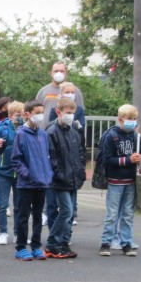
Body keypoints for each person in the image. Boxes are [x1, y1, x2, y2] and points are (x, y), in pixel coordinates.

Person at [11, 100, 53, 261]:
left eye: (42, 112)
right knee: (23, 216)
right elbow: (16, 160)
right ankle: (21, 247)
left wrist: (47, 175)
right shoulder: (21, 134)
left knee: (38, 216)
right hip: (26, 184)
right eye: (37, 113)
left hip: (42, 182)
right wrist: (27, 175)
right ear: (27, 114)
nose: (40, 116)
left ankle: (36, 246)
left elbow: (47, 157)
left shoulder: (43, 135)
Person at [99, 104, 141, 257]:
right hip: (115, 180)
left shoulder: (136, 137)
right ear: (120, 119)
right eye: (129, 119)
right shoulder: (111, 136)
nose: (132, 121)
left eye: (134, 119)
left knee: (127, 214)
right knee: (112, 214)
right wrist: (128, 160)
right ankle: (106, 242)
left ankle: (126, 243)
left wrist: (139, 159)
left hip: (131, 180)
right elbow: (107, 159)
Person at [44, 96, 86, 258]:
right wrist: (60, 175)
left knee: (69, 213)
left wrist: (80, 173)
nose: (71, 116)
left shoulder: (74, 132)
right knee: (66, 211)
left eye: (72, 113)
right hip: (60, 180)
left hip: (73, 179)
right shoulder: (51, 132)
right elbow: (52, 158)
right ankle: (52, 243)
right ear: (58, 112)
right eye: (68, 112)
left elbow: (80, 154)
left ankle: (63, 242)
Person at [0, 101, 24, 246]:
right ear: (10, 115)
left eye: (21, 115)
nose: (20, 118)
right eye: (17, 115)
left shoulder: (25, 129)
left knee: (19, 205)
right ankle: (3, 232)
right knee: (3, 205)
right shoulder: (4, 128)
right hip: (4, 171)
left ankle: (18, 233)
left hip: (20, 172)